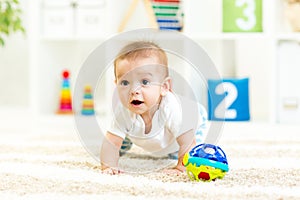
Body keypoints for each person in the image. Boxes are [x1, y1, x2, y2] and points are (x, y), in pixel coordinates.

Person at [100, 41, 207, 175]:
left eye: (145, 82)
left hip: (193, 120)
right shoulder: (123, 110)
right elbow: (111, 143)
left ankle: (177, 153)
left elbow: (187, 141)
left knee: (190, 151)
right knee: (121, 133)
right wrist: (108, 166)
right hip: (144, 128)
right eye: (125, 82)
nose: (134, 90)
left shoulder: (171, 108)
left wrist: (181, 168)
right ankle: (125, 143)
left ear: (164, 87)